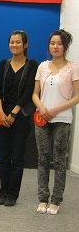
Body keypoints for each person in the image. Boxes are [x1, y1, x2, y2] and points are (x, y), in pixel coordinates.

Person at [32, 29, 79, 215]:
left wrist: (56, 109)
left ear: (65, 46)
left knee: (59, 160)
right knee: (43, 159)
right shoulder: (43, 66)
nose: (55, 47)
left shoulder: (73, 67)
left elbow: (77, 97)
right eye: (52, 43)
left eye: (59, 43)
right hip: (42, 118)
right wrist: (42, 108)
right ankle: (42, 198)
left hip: (62, 119)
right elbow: (35, 93)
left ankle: (56, 200)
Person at [0, 30, 37, 207]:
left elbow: (28, 91)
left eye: (18, 42)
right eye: (12, 42)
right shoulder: (4, 64)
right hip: (2, 115)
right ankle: (3, 191)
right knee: (4, 156)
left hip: (20, 116)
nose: (14, 45)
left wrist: (13, 113)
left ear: (25, 45)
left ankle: (12, 194)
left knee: (17, 157)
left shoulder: (31, 64)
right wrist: (1, 112)